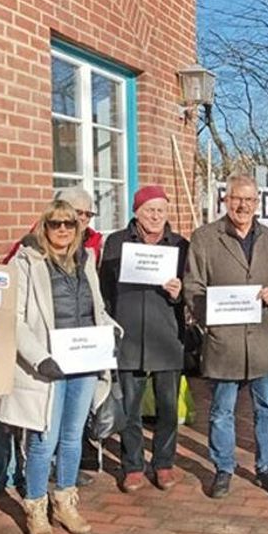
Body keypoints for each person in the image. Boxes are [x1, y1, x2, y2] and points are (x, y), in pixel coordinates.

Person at [0, 199, 120, 534]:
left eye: (70, 223)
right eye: (56, 223)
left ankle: (65, 500)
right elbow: (15, 318)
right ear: (44, 226)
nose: (63, 229)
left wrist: (111, 332)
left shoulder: (86, 260)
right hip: (47, 366)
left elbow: (97, 309)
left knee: (72, 435)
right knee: (42, 439)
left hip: (83, 361)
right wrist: (39, 358)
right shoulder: (26, 261)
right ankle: (35, 507)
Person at [184, 174, 268, 498]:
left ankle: (267, 467)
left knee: (267, 410)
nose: (242, 205)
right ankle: (223, 468)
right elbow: (193, 286)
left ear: (257, 203)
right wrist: (211, 317)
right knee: (221, 412)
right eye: (236, 198)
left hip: (260, 339)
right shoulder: (205, 238)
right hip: (224, 341)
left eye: (249, 199)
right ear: (225, 200)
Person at [100, 185, 189, 493]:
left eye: (161, 210)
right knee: (130, 410)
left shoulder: (180, 245)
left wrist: (180, 295)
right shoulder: (116, 243)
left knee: (167, 408)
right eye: (149, 210)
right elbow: (105, 290)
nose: (155, 216)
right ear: (136, 212)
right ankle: (133, 466)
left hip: (166, 336)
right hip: (129, 338)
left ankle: (164, 464)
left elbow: (192, 293)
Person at [2, 187, 103, 265]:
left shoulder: (93, 241)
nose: (83, 218)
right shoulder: (33, 241)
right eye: (78, 212)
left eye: (88, 214)